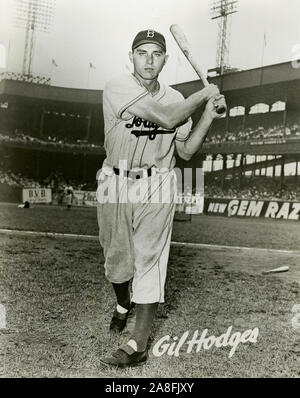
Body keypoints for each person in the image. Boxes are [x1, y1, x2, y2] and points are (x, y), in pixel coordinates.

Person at [97, 29, 226, 368]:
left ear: (166, 59)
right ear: (132, 57)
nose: (149, 59)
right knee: (117, 264)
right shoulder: (117, 87)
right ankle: (123, 302)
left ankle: (137, 342)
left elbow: (185, 151)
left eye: (156, 53)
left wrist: (209, 115)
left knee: (150, 260)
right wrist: (205, 93)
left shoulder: (175, 96)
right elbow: (168, 118)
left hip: (158, 181)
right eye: (143, 52)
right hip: (116, 180)